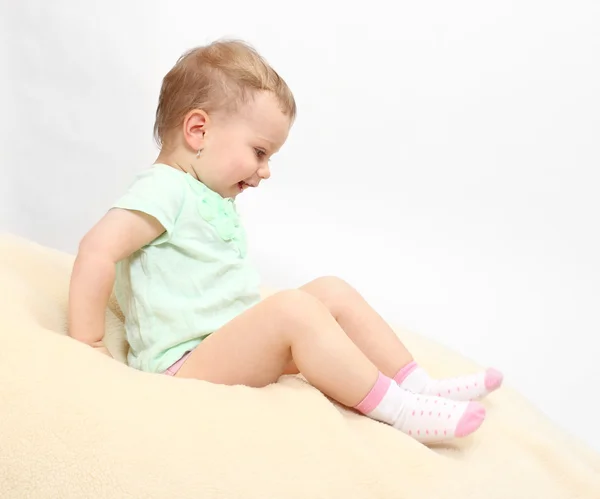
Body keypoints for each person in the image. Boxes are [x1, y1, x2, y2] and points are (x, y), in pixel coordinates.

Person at [68, 39, 503, 444]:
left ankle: (419, 386)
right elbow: (97, 249)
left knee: (330, 290)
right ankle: (401, 410)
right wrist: (88, 346)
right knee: (292, 309)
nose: (265, 170)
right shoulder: (163, 188)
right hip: (185, 366)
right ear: (198, 131)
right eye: (260, 152)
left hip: (227, 346)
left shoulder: (203, 193)